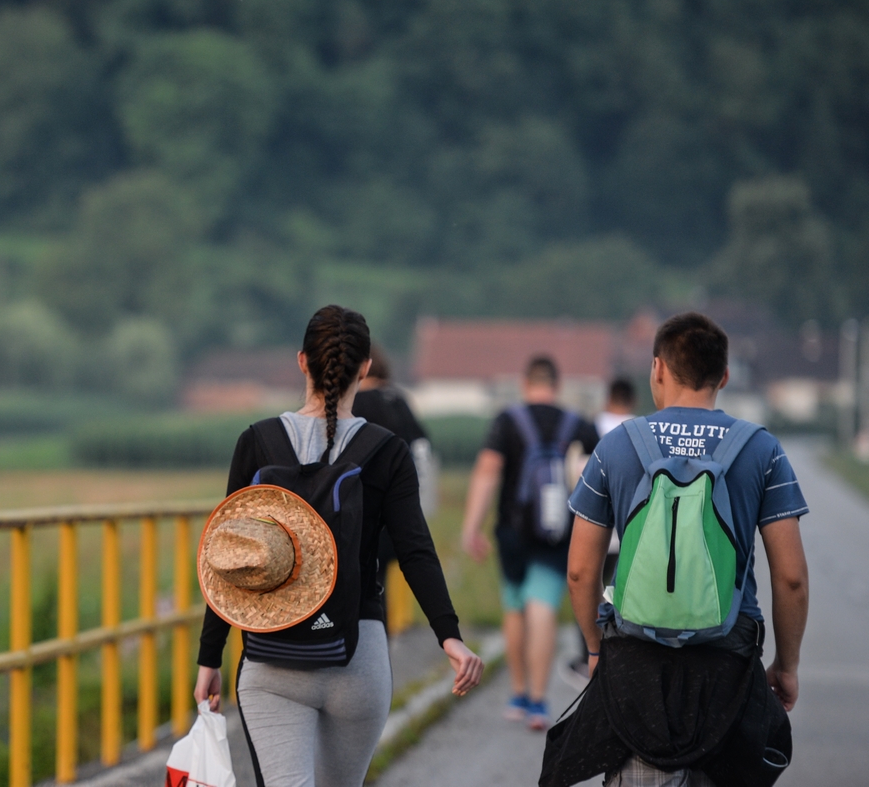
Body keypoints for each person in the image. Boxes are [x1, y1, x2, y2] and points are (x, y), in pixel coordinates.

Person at [194, 305, 484, 787]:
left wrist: (209, 657)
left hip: (271, 663)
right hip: (358, 658)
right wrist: (448, 636)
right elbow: (415, 551)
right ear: (366, 368)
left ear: (301, 361)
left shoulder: (257, 443)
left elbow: (227, 561)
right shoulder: (387, 449)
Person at [542, 312, 810, 787]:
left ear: (658, 369)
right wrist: (786, 666)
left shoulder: (616, 446)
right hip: (728, 662)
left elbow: (582, 571)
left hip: (636, 667)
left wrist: (594, 647)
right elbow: (791, 577)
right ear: (723, 376)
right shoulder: (762, 450)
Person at [461, 356, 600, 731]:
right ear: (557, 384)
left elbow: (488, 473)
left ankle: (519, 693)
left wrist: (471, 527)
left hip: (512, 531)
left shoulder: (508, 421)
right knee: (543, 608)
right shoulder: (580, 425)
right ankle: (539, 701)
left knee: (515, 605)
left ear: (526, 383)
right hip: (558, 534)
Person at [352, 344, 438, 632]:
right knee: (380, 585)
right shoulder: (398, 401)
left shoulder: (351, 404)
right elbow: (422, 449)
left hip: (356, 513)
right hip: (394, 513)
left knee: (358, 586)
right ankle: (380, 645)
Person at [566, 376, 639, 685]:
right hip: (633, 532)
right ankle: (626, 653)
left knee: (589, 587)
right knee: (626, 595)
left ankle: (589, 653)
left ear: (608, 398)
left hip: (595, 528)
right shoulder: (643, 430)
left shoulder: (588, 429)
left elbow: (575, 477)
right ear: (632, 400)